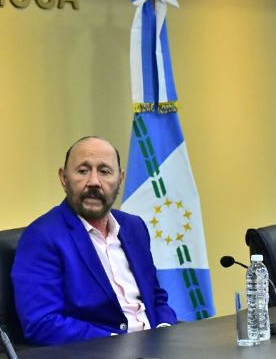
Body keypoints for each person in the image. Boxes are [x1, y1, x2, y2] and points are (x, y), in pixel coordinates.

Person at [12, 135, 178, 345]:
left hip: (156, 350)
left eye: (104, 171)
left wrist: (164, 332)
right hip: (99, 356)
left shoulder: (134, 227)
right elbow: (42, 323)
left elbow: (155, 297)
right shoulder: (42, 237)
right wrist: (116, 344)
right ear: (64, 178)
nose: (94, 182)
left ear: (120, 179)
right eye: (83, 171)